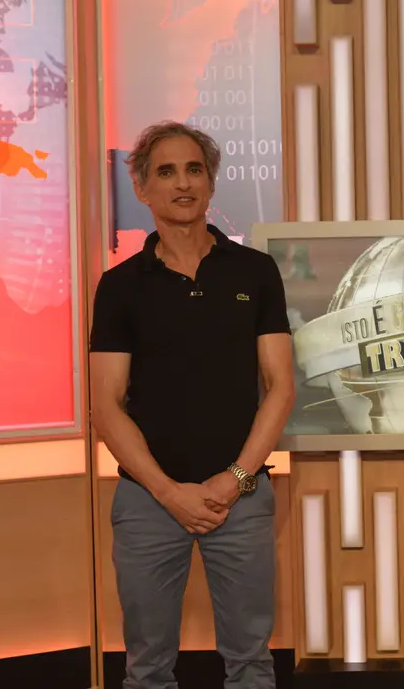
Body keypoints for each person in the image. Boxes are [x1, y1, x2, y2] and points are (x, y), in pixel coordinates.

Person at [89, 121, 295, 689]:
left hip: (242, 498)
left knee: (251, 663)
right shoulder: (120, 286)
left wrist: (234, 480)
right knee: (147, 669)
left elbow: (280, 386)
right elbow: (106, 404)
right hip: (148, 501)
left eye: (194, 170)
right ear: (142, 188)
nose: (183, 183)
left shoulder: (255, 272)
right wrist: (166, 491)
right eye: (166, 172)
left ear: (210, 182)